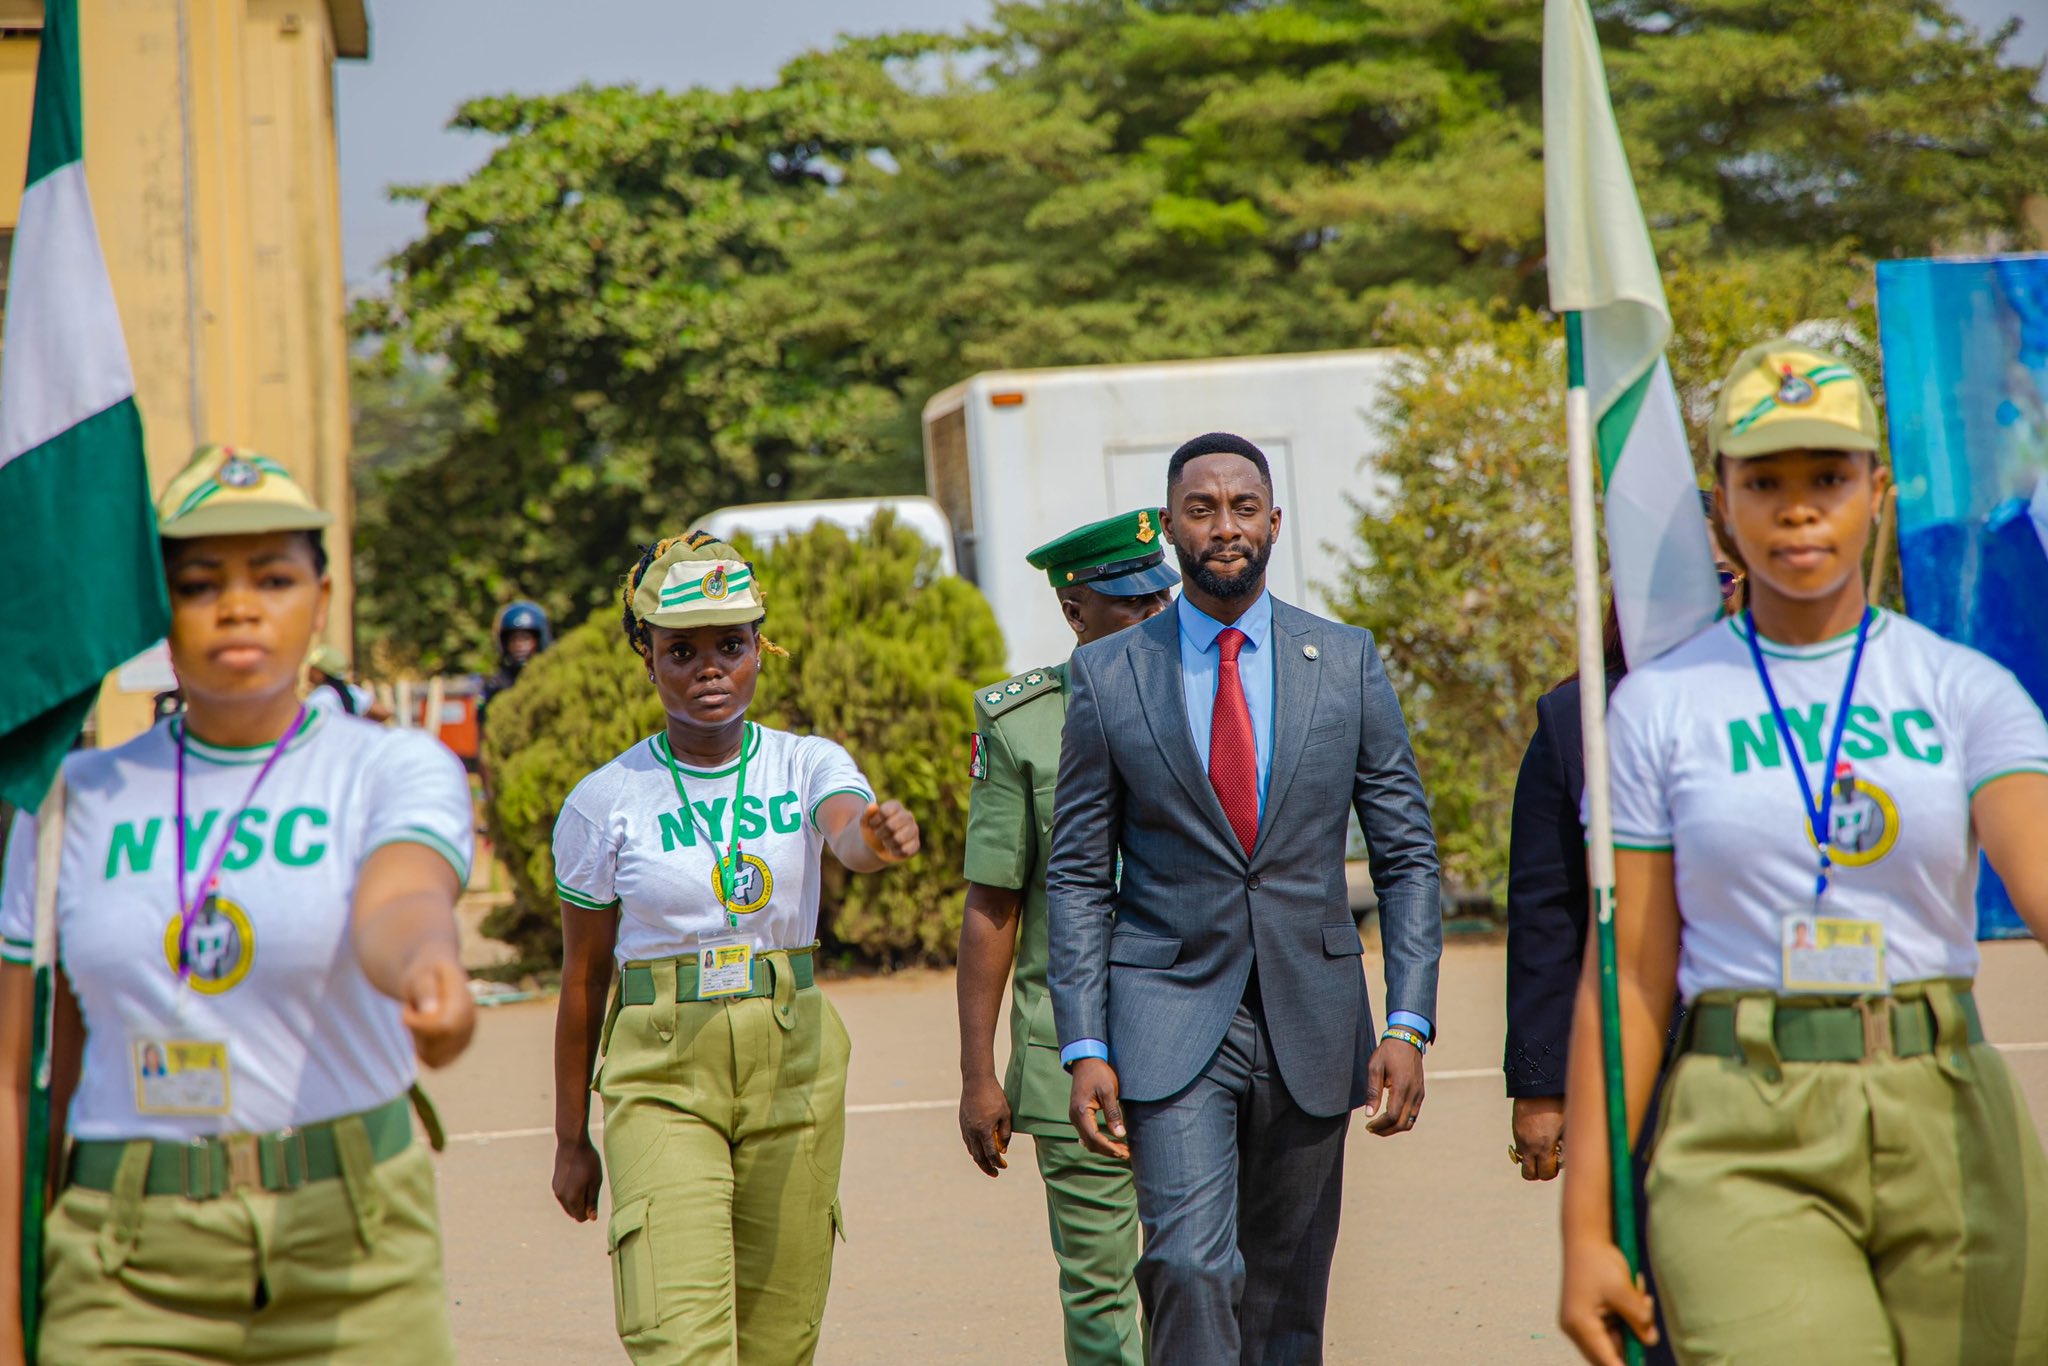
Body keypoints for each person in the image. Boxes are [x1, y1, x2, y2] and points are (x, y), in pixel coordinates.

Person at [1558, 341, 2048, 1366]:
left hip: (1947, 1107)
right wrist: (1585, 1227)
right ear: (1722, 500)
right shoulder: (1658, 706)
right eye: (1762, 481)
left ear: (1877, 487)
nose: (1796, 509)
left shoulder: (1963, 689)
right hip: (1741, 1123)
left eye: (1825, 477)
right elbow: (1634, 975)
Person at [0, 443, 477, 1364]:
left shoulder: (386, 764)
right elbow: (12, 1077)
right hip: (128, 1260)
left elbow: (403, 896)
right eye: (200, 580)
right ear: (157, 609)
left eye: (273, 575)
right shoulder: (72, 801)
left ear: (323, 600)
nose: (240, 604)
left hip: (357, 1247)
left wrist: (427, 968)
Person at [1047, 432, 1443, 1364]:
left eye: (1241, 507)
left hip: (1314, 1011)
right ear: (1172, 526)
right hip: (1168, 1016)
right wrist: (1085, 1041)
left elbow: (1407, 855)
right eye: (1201, 509)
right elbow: (1074, 872)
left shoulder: (1345, 661)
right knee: (1187, 1264)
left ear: (1273, 520)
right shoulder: (1110, 675)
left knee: (1286, 1297)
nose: (1224, 526)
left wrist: (1409, 1021)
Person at [549, 531, 921, 1364]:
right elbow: (580, 981)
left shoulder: (805, 763)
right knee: (680, 1340)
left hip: (793, 1062)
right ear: (647, 657)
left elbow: (846, 833)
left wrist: (874, 838)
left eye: (731, 645)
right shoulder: (603, 802)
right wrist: (572, 1139)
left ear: (760, 648)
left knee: (780, 1342)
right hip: (662, 1073)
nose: (709, 668)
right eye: (682, 650)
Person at [958, 509, 1176, 1366]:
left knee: (1202, 1277)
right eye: (1133, 605)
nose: (1159, 615)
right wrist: (980, 1074)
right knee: (1100, 1296)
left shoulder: (1211, 702)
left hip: (1198, 1035)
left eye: (1164, 596)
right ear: (1075, 610)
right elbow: (993, 906)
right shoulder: (1025, 726)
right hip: (1068, 1048)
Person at [1504, 498, 1745, 1179]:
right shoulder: (1574, 724)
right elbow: (1545, 920)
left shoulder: (1801, 706)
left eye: (1722, 580)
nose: (1704, 602)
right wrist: (1540, 1088)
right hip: (1636, 1059)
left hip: (1782, 1051)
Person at [477, 599, 550, 734]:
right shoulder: (497, 685)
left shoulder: (551, 678)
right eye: (514, 640)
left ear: (539, 640)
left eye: (526, 639)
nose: (519, 645)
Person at [306, 643, 393, 723]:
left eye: (313, 668)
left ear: (321, 673)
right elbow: (383, 712)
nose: (309, 672)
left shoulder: (321, 696)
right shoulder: (352, 691)